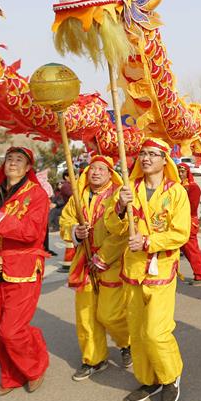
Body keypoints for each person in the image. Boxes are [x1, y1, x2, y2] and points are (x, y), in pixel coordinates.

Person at [105, 137, 190, 401]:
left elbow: (180, 233)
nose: (146, 158)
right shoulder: (129, 189)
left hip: (160, 270)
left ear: (165, 160)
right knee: (138, 332)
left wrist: (148, 242)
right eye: (143, 154)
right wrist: (119, 207)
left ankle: (170, 375)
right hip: (132, 270)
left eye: (153, 154)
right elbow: (113, 227)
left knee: (156, 332)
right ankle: (148, 378)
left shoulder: (176, 192)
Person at [0, 147, 50, 397]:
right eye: (9, 159)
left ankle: (35, 367)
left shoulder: (37, 195)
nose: (13, 163)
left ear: (28, 168)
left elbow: (32, 232)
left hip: (23, 269)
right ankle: (11, 376)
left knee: (11, 330)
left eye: (19, 160)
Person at [59, 155, 132, 381]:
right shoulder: (78, 197)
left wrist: (103, 256)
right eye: (93, 168)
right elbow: (65, 221)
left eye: (102, 169)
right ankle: (93, 359)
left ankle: (126, 342)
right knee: (86, 315)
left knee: (110, 314)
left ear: (111, 173)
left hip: (112, 262)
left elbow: (124, 230)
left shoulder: (120, 195)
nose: (96, 172)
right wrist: (74, 232)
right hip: (84, 261)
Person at [177, 163, 201, 285]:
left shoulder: (193, 187)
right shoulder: (176, 186)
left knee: (191, 249)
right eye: (178, 171)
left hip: (188, 221)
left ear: (188, 173)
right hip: (178, 221)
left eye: (183, 171)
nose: (180, 174)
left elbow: (192, 207)